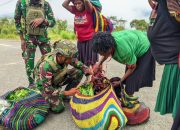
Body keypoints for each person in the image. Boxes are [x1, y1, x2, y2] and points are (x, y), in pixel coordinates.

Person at [34, 40, 92, 113]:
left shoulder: (66, 57)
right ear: (59, 55)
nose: (71, 60)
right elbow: (48, 89)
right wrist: (67, 92)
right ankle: (59, 95)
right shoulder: (46, 66)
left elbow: (78, 64)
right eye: (69, 58)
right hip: (46, 87)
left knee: (79, 72)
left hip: (57, 79)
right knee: (58, 108)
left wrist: (88, 71)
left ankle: (63, 94)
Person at [92, 30, 155, 97]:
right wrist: (99, 64)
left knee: (131, 81)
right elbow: (105, 53)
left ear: (110, 49)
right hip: (135, 40)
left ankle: (128, 99)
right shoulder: (108, 40)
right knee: (128, 78)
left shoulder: (124, 51)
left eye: (101, 52)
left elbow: (132, 67)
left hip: (145, 46)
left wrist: (120, 81)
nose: (100, 54)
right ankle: (127, 95)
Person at [147, 0, 180, 118]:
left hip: (177, 60)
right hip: (171, 61)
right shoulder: (159, 5)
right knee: (176, 111)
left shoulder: (173, 3)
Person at [14, 0, 56, 87]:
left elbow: (53, 22)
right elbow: (17, 20)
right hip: (28, 38)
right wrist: (22, 39)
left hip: (43, 38)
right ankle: (32, 84)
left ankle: (48, 83)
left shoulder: (46, 4)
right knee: (29, 62)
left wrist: (43, 20)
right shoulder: (21, 3)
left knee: (49, 61)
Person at [62, 0, 98, 66]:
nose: (77, 5)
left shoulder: (88, 9)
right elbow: (64, 4)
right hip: (80, 40)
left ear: (83, 3)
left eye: (79, 3)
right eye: (75, 4)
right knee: (81, 63)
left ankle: (93, 75)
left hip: (90, 40)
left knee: (92, 62)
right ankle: (87, 75)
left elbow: (87, 1)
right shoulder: (75, 10)